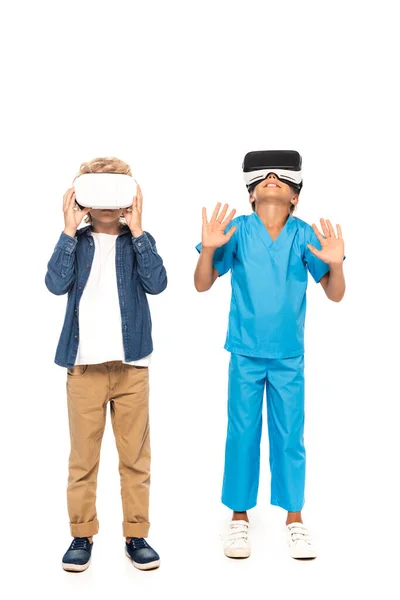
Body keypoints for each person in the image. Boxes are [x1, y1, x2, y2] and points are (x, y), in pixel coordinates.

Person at [194, 152, 345, 560]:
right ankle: (239, 518)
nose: (273, 178)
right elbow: (202, 285)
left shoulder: (305, 235)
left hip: (287, 356)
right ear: (251, 193)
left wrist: (336, 265)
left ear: (295, 197)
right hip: (245, 351)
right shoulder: (236, 231)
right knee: (241, 433)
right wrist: (208, 250)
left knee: (289, 435)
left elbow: (334, 292)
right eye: (264, 176)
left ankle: (295, 519)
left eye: (282, 177)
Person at [45, 157, 167, 572]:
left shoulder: (138, 242)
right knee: (83, 458)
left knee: (135, 457)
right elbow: (55, 283)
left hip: (132, 367)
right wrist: (66, 228)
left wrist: (138, 230)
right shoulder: (75, 244)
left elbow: (157, 282)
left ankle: (137, 534)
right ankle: (81, 534)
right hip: (84, 368)